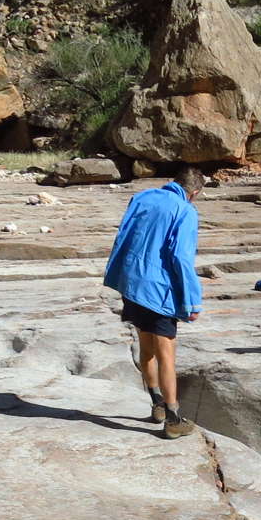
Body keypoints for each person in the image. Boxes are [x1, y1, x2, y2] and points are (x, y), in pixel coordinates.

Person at [102, 166, 206, 438]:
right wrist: (192, 301)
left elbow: (124, 235)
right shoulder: (185, 211)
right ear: (194, 193)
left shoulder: (143, 197)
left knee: (145, 346)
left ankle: (156, 404)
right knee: (166, 354)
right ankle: (173, 419)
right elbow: (181, 257)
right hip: (157, 289)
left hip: (131, 282)